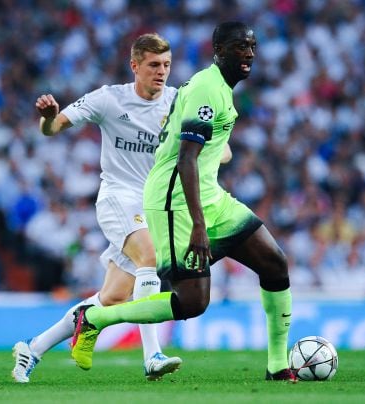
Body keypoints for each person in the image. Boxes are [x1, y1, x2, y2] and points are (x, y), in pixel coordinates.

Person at [70, 21, 297, 382]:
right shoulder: (207, 89)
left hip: (210, 196)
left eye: (252, 46)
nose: (249, 54)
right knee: (192, 303)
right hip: (175, 203)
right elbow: (185, 159)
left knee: (274, 264)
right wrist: (199, 227)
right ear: (219, 50)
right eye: (240, 47)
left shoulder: (220, 88)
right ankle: (94, 318)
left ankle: (278, 365)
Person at [12, 33, 183, 383]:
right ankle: (152, 355)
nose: (161, 72)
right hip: (117, 198)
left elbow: (214, 146)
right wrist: (48, 117)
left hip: (152, 206)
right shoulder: (109, 99)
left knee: (112, 297)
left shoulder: (178, 102)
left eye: (166, 65)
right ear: (134, 66)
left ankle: (34, 347)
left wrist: (217, 152)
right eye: (153, 65)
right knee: (149, 258)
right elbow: (52, 128)